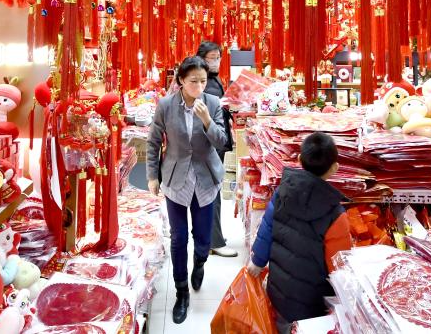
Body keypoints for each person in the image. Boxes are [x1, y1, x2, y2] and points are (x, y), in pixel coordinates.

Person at [146, 56, 228, 324]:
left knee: (202, 236)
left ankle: (200, 261)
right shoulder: (166, 105)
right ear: (181, 80)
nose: (199, 87)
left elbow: (222, 141)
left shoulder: (213, 103)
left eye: (203, 81)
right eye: (193, 81)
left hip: (205, 177)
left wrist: (207, 120)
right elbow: (154, 141)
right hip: (176, 177)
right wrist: (152, 176)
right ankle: (181, 291)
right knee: (178, 237)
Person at [247, 132, 351, 334]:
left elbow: (267, 228)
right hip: (313, 303)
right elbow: (339, 267)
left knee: (280, 326)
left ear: (300, 159)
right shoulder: (335, 214)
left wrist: (258, 261)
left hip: (279, 291)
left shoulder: (282, 191)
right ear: (335, 168)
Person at [195, 40, 237, 258]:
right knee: (211, 192)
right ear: (202, 59)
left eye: (218, 57)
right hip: (208, 143)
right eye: (212, 58)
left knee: (212, 190)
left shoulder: (214, 79)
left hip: (216, 141)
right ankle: (214, 241)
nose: (216, 62)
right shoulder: (201, 82)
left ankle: (211, 236)